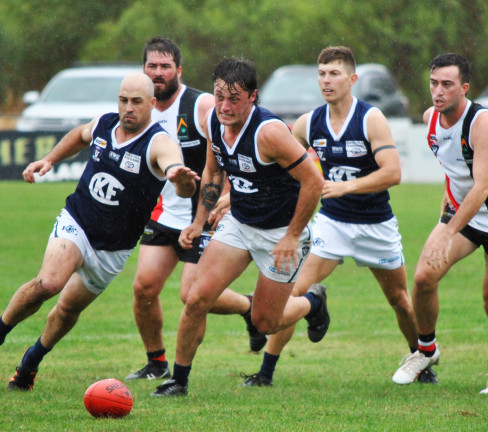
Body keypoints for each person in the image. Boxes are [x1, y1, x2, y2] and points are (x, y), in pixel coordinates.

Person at [0, 72, 199, 391]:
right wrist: (49, 159)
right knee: (48, 283)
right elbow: (80, 135)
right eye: (123, 100)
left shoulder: (160, 142)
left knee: (68, 309)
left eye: (136, 102)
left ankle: (31, 361)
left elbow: (179, 177)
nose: (128, 108)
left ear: (152, 104)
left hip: (113, 248)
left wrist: (181, 180)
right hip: (78, 221)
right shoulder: (104, 123)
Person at [241, 46, 436, 388]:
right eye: (321, 74)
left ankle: (421, 361)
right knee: (294, 292)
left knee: (399, 300)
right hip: (331, 223)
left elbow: (393, 172)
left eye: (334, 73)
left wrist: (347, 187)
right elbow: (278, 164)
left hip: (376, 224)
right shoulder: (308, 122)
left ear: (352, 79)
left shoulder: (370, 118)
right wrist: (233, 195)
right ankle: (266, 372)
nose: (326, 81)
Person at [151, 57, 326, 397]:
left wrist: (292, 236)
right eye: (219, 97)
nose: (225, 106)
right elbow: (214, 172)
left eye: (234, 99)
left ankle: (313, 303)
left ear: (253, 97)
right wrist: (198, 222)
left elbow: (314, 182)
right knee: (196, 298)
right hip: (240, 223)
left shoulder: (269, 133)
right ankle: (178, 381)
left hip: (280, 232)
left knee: (265, 322)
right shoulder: (212, 122)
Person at [125, 38, 266, 382]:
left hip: (201, 213)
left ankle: (248, 308)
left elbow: (228, 150)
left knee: (192, 294)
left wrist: (227, 197)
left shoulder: (201, 105)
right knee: (143, 289)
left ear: (179, 70)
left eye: (165, 66)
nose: (158, 73)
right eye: (152, 66)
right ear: (143, 69)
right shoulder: (138, 108)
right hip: (163, 212)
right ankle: (156, 362)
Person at [392, 53, 488, 394]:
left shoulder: (483, 123)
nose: (438, 91)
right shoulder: (430, 118)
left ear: (464, 87)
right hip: (463, 214)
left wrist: (447, 231)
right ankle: (426, 350)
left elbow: (482, 187)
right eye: (433, 83)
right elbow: (452, 165)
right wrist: (447, 204)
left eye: (447, 84)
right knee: (423, 278)